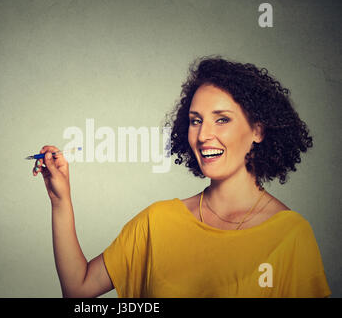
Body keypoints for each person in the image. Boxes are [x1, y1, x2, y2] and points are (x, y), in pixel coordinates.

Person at [32, 56, 331, 298]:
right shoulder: (158, 221)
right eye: (195, 121)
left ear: (258, 130)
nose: (204, 135)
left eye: (222, 119)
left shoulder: (290, 236)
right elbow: (78, 289)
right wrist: (61, 199)